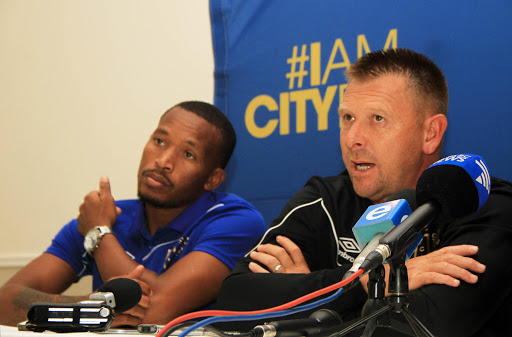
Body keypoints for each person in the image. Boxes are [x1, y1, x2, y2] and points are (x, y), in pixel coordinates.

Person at [215, 49, 512, 337]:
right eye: (347, 118)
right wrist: (363, 284)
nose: (353, 138)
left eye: (377, 119)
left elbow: (428, 327)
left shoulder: (485, 205)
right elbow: (234, 301)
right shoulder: (325, 199)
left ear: (430, 133)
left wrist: (306, 301)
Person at [0, 101, 267, 327]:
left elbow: (152, 314)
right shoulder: (109, 214)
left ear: (213, 179)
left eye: (188, 154)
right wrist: (92, 307)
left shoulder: (235, 221)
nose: (163, 161)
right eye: (159, 141)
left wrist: (100, 234)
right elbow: (5, 300)